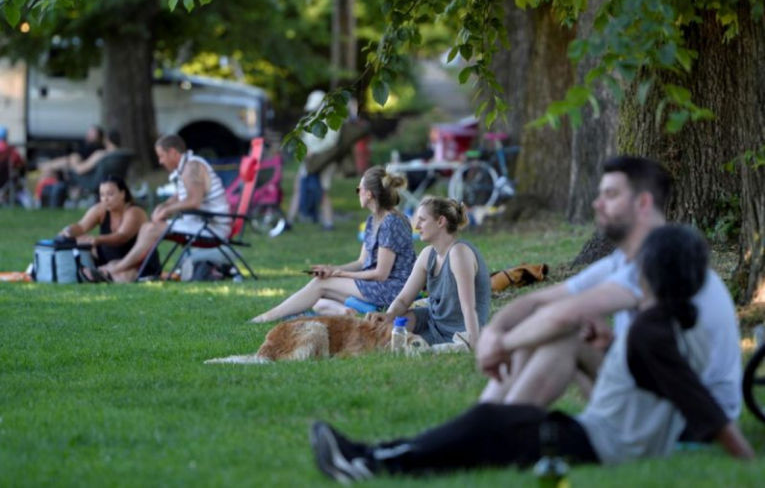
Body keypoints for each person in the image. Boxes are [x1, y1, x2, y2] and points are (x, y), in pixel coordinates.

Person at [309, 225, 754, 483]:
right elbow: (668, 384)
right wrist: (610, 348)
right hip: (599, 432)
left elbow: (700, 405)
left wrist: (747, 462)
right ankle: (372, 456)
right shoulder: (675, 320)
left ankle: (373, 462)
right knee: (490, 428)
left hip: (601, 443)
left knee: (487, 429)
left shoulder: (654, 332)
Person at [475, 157, 742, 424]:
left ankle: (499, 431)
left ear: (643, 203)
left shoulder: (664, 263)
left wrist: (502, 344)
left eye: (610, 195)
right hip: (656, 397)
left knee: (562, 334)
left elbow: (562, 316)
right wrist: (494, 330)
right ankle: (484, 423)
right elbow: (537, 300)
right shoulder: (622, 260)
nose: (597, 203)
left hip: (690, 418)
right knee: (543, 332)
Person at [250, 166, 416, 324]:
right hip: (377, 286)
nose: (357, 193)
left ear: (369, 194)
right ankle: (351, 314)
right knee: (318, 300)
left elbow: (381, 273)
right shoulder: (373, 220)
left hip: (393, 290)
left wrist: (341, 274)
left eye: (359, 189)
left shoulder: (391, 222)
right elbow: (360, 263)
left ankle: (266, 318)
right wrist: (333, 270)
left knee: (320, 285)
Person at [98, 134, 230, 282]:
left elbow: (194, 201)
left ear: (173, 152)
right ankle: (128, 268)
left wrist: (167, 210)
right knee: (148, 227)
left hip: (211, 227)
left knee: (150, 229)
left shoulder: (192, 168)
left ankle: (119, 268)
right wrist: (163, 205)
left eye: (161, 156)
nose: (160, 161)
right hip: (201, 224)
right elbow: (181, 195)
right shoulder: (186, 167)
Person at [366, 197, 491, 349]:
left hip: (458, 330)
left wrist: (474, 345)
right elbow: (404, 300)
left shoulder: (459, 253)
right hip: (433, 320)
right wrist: (388, 316)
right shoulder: (428, 254)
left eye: (422, 220)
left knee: (404, 346)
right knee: (389, 330)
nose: (416, 225)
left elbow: (469, 308)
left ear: (440, 222)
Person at [60, 175, 160, 278]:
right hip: (110, 260)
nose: (105, 199)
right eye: (102, 195)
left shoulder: (134, 212)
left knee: (124, 275)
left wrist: (97, 239)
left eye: (110, 194)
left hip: (136, 263)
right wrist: (68, 232)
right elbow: (81, 227)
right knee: (80, 242)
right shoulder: (101, 209)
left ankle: (102, 274)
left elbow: (122, 236)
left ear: (122, 194)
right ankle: (100, 273)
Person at [286, 90, 341, 230]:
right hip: (308, 161)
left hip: (324, 162)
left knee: (321, 191)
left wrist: (314, 152)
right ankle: (289, 221)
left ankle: (329, 223)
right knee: (298, 187)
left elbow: (331, 142)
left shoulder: (332, 119)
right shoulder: (309, 119)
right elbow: (303, 138)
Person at [37, 125, 105, 176]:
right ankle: (45, 166)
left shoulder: (96, 149)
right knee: (49, 170)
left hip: (76, 163)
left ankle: (44, 166)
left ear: (98, 137)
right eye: (89, 132)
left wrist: (74, 160)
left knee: (54, 167)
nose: (89, 134)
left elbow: (80, 166)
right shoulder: (87, 145)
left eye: (92, 133)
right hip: (72, 162)